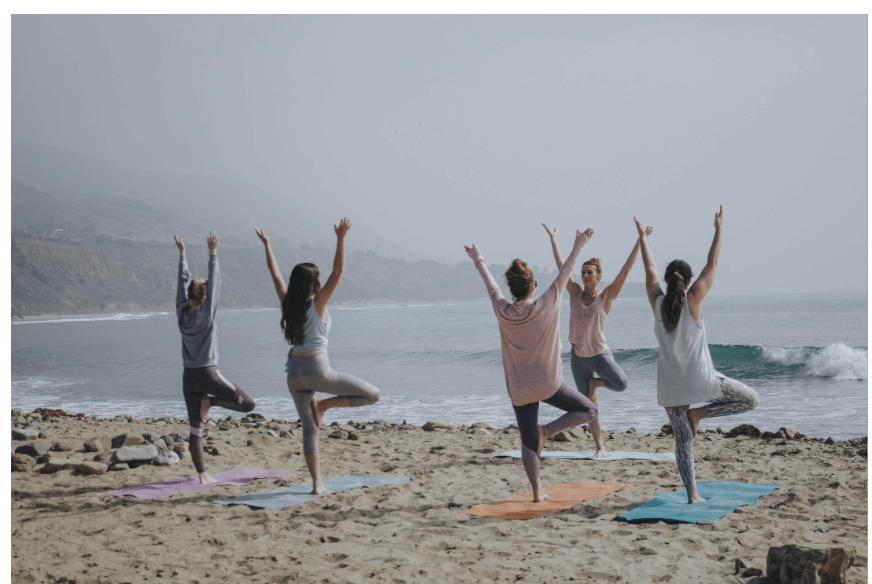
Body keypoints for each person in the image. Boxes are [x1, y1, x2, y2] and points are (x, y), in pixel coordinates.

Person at [634, 206, 758, 503]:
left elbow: (649, 271)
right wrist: (719, 230)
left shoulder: (657, 303)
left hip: (670, 388)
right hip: (701, 380)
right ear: (688, 282)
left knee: (683, 440)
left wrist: (643, 240)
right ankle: (700, 413)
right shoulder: (695, 300)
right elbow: (712, 263)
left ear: (667, 281)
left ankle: (692, 495)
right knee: (750, 400)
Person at [464, 228, 598, 503]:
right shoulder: (545, 304)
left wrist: (478, 258)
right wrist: (580, 243)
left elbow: (491, 285)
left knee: (527, 441)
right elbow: (566, 271)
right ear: (533, 286)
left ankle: (537, 493)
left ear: (513, 290)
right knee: (590, 410)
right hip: (548, 384)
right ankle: (547, 430)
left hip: (520, 389)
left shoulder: (502, 310)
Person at [254, 219, 380, 495]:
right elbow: (339, 271)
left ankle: (317, 484)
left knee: (309, 431)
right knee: (373, 395)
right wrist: (341, 238)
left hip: (293, 374)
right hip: (317, 370)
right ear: (314, 283)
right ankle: (324, 405)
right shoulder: (318, 302)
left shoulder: (288, 303)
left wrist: (267, 245)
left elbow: (275, 275)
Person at [542, 223, 653, 458]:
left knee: (621, 383)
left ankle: (596, 383)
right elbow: (563, 267)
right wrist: (553, 239)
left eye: (589, 272)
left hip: (600, 355)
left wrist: (639, 241)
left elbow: (625, 271)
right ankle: (600, 447)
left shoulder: (606, 297)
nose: (584, 276)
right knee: (589, 408)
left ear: (598, 275)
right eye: (583, 272)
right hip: (578, 359)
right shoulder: (574, 292)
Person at [175, 231, 256, 484]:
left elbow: (180, 283)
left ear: (189, 295)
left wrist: (183, 255)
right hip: (208, 375)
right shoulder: (207, 314)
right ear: (205, 296)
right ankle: (210, 402)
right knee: (248, 405)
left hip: (189, 378)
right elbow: (216, 281)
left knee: (195, 429)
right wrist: (213, 253)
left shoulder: (181, 313)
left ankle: (202, 475)